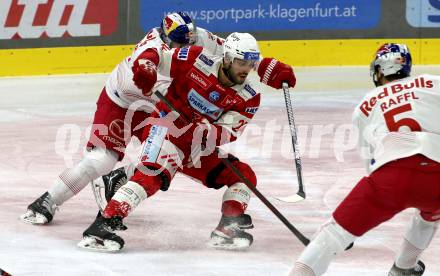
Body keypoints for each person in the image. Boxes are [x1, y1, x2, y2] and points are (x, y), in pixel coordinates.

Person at [77, 32, 296, 252]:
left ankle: (228, 228)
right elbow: (157, 56)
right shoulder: (195, 59)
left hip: (196, 146)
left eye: (250, 64)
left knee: (243, 176)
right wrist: (146, 67)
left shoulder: (249, 96)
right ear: (227, 59)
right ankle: (102, 227)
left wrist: (203, 129)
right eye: (241, 62)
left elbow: (230, 131)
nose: (246, 69)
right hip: (166, 129)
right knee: (151, 177)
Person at [20, 12, 226, 225]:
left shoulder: (199, 37)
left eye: (188, 41)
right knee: (101, 160)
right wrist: (147, 72)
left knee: (162, 158)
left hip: (153, 110)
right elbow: (146, 61)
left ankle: (115, 181)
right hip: (120, 102)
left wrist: (255, 66)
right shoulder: (153, 46)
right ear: (166, 37)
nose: (183, 47)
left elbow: (231, 53)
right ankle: (47, 201)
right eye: (177, 43)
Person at [290, 43, 440, 276]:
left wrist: (351, 224)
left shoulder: (366, 104)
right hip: (437, 174)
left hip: (391, 175)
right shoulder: (433, 82)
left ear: (380, 71)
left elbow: (370, 161)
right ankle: (404, 267)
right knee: (429, 217)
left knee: (332, 235)